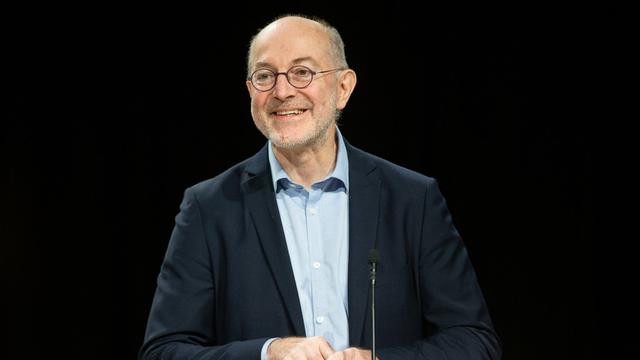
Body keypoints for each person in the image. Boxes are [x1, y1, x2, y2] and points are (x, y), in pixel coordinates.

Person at [139, 14, 501, 360]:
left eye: (302, 72)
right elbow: (164, 350)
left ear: (343, 88)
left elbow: (473, 341)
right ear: (250, 92)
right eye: (265, 76)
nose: (282, 91)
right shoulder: (209, 208)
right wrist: (268, 352)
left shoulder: (411, 199)